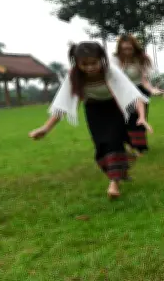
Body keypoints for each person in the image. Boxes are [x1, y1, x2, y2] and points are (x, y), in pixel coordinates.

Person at [28, 42, 153, 199]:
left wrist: (141, 116)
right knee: (101, 146)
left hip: (114, 108)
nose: (89, 68)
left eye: (93, 63)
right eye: (84, 64)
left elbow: (134, 95)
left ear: (101, 59)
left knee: (113, 142)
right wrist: (45, 128)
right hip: (93, 110)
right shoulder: (74, 76)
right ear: (77, 63)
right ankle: (122, 166)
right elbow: (62, 105)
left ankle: (114, 183)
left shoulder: (111, 71)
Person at [113, 34, 162, 156]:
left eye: (130, 48)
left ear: (135, 47)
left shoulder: (141, 59)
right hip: (122, 91)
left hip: (140, 90)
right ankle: (129, 145)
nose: (127, 51)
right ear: (119, 49)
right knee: (126, 120)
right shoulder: (115, 60)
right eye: (124, 49)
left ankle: (139, 147)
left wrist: (152, 90)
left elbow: (144, 80)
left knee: (140, 119)